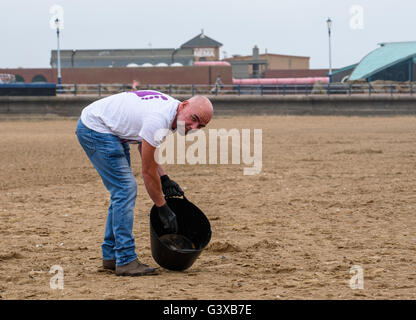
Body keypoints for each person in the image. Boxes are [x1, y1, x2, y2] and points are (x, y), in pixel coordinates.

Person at [76, 90, 213, 276]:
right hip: (96, 128)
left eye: (201, 125)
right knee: (125, 189)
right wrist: (162, 207)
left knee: (121, 191)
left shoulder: (173, 116)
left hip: (111, 129)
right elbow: (148, 172)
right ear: (184, 105)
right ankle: (125, 260)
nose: (194, 127)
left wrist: (165, 179)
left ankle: (111, 257)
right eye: (194, 118)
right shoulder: (159, 118)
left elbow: (144, 147)